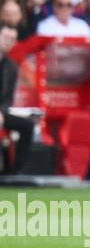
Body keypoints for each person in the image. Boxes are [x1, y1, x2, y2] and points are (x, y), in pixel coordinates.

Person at [0, 25, 36, 172]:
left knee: (28, 125)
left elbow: (8, 99)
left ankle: (16, 171)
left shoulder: (12, 67)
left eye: (13, 39)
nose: (9, 42)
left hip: (1, 113)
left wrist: (1, 112)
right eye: (6, 38)